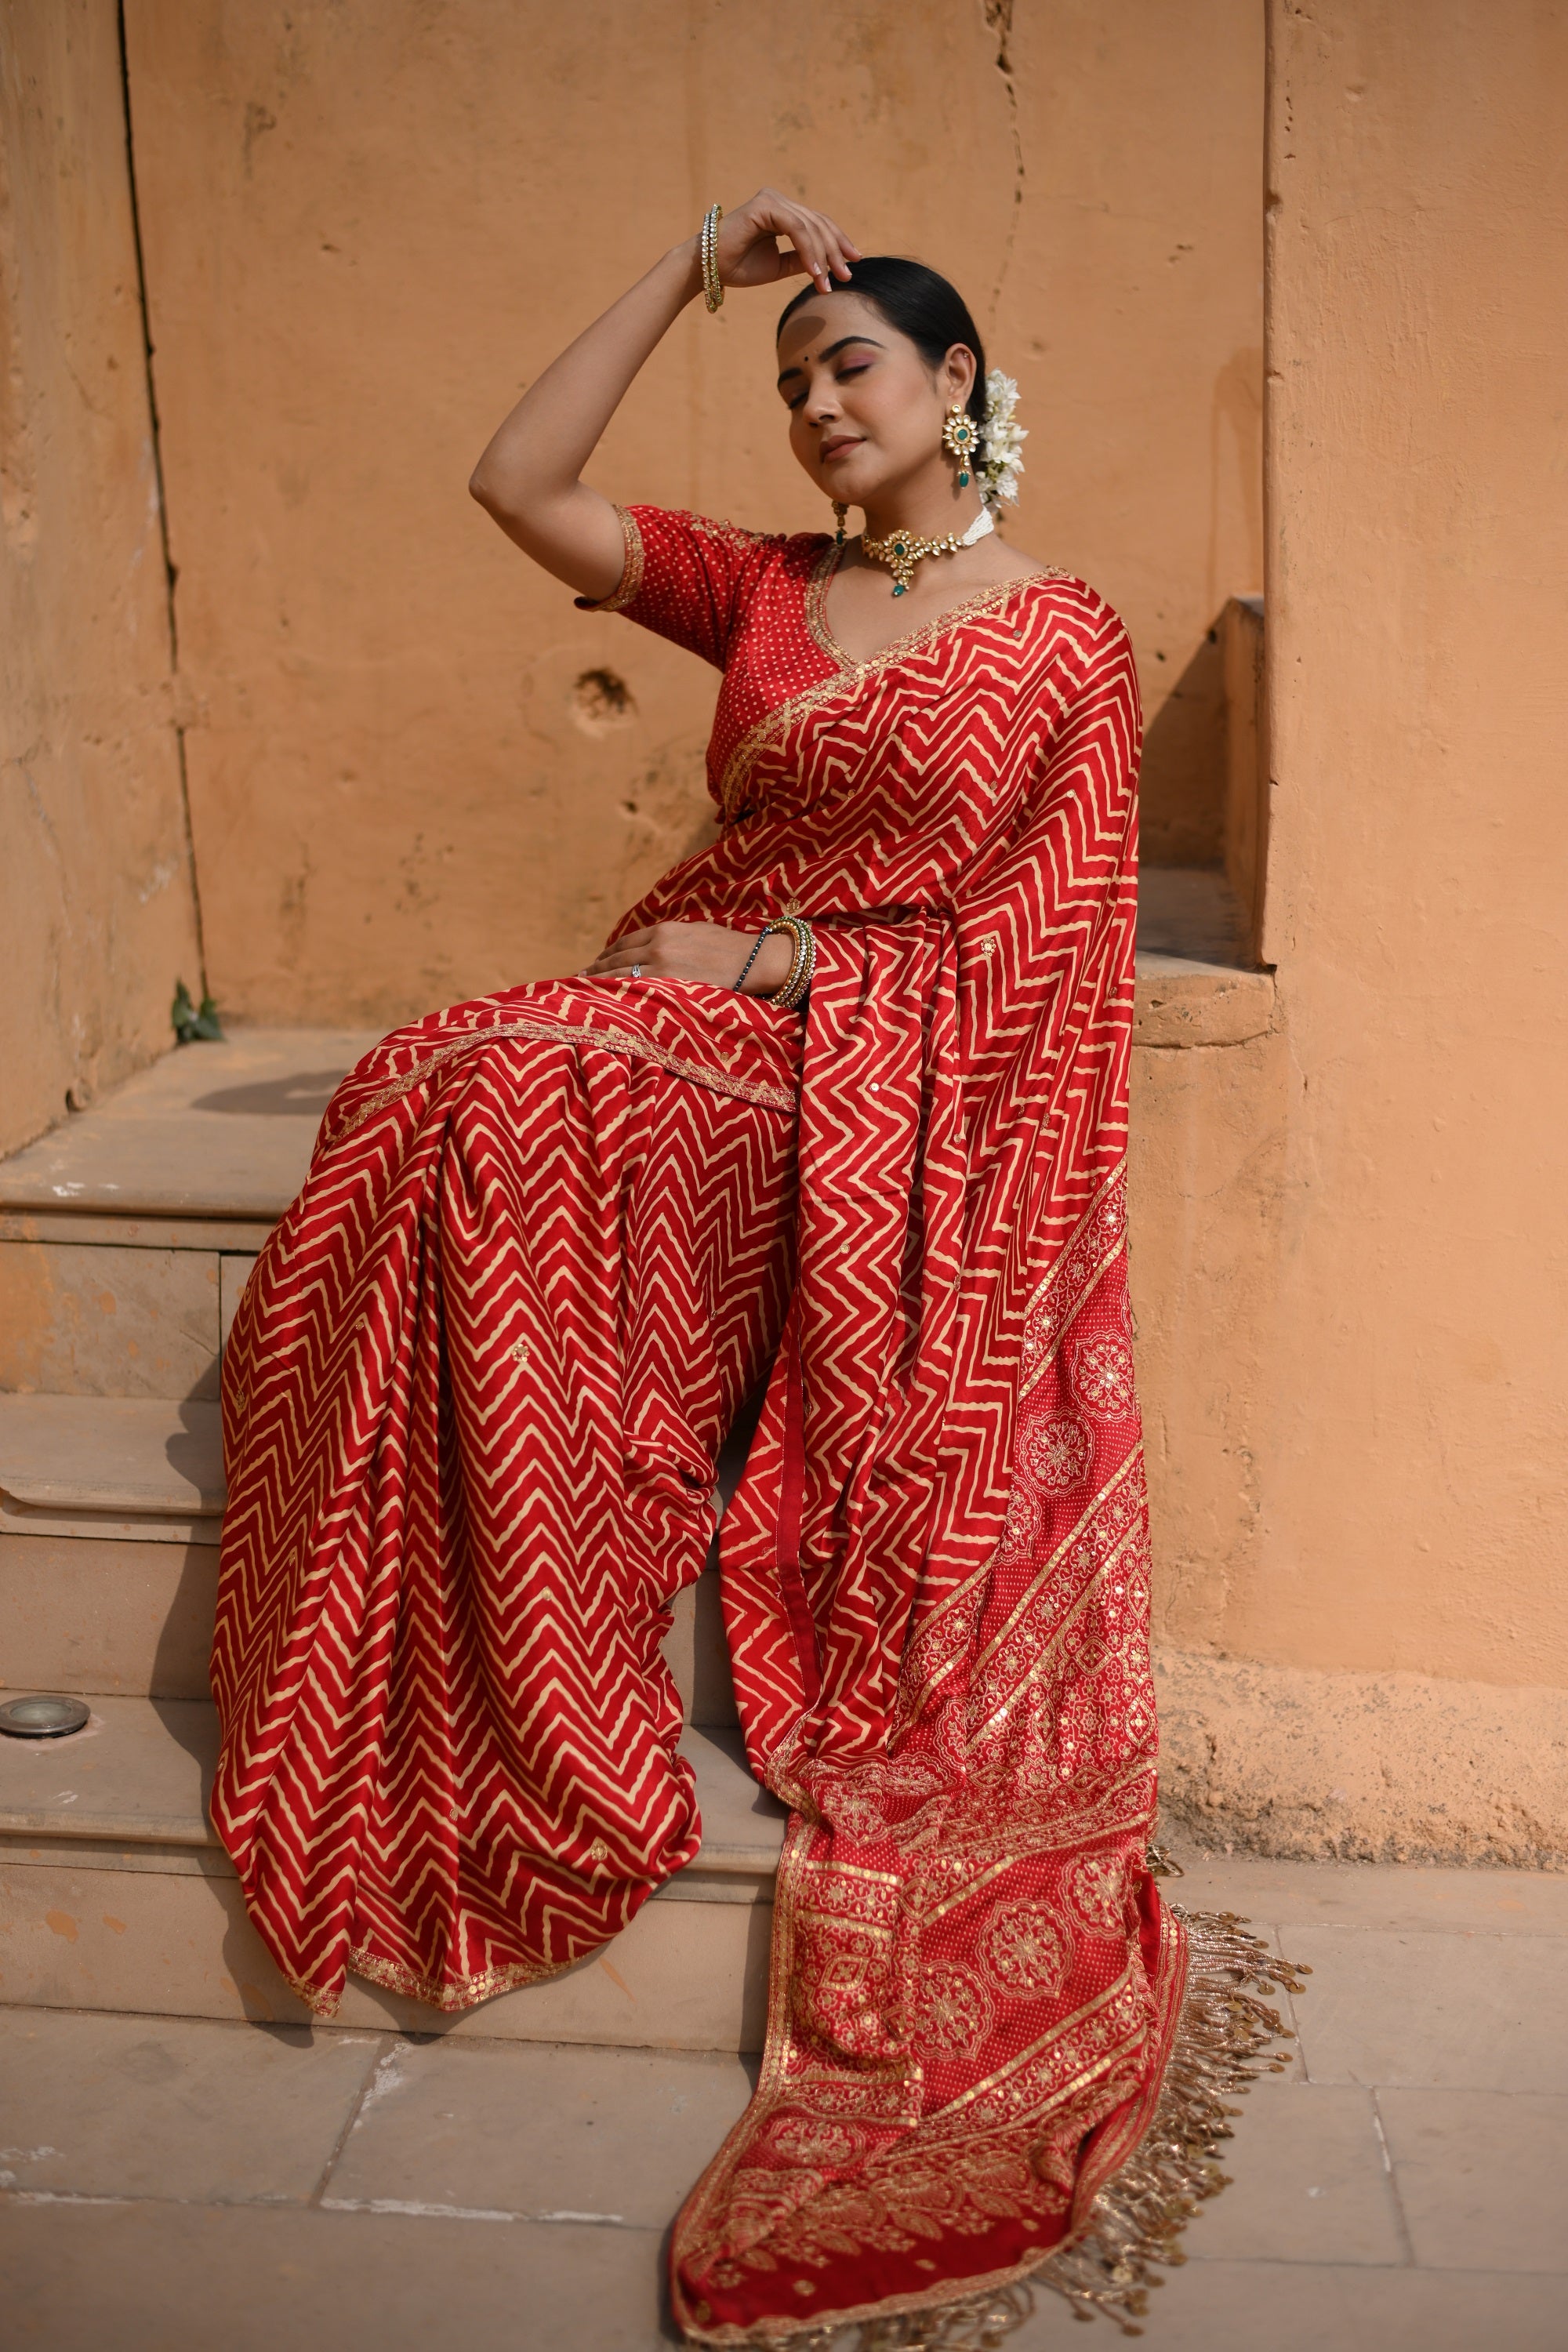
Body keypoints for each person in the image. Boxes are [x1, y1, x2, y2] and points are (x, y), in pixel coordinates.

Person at [212, 190, 1297, 2345]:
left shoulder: (1059, 636)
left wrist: (791, 956)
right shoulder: (768, 596)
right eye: (792, 380)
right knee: (438, 1082)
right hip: (693, 1030)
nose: (815, 407)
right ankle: (442, 1611)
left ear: (959, 387)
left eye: (854, 367)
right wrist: (689, 260)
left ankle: (531, 1631)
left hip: (862, 1080)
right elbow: (513, 482)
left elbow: (1041, 949)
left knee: (507, 1080)